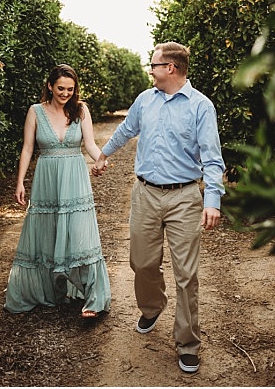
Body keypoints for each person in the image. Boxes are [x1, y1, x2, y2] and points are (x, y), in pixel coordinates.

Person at [92, 42, 225, 374]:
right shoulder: (144, 100)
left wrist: (212, 201)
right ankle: (152, 306)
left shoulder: (200, 106)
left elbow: (211, 158)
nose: (149, 70)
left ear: (171, 68)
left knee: (187, 274)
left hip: (184, 197)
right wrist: (104, 153)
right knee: (142, 262)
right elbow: (126, 129)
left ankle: (188, 343)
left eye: (153, 65)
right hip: (146, 194)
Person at [4, 64, 111, 318]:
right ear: (50, 86)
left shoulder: (81, 110)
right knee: (48, 232)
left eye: (70, 89)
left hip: (75, 178)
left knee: (79, 234)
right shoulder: (35, 111)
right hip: (47, 179)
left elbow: (90, 145)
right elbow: (28, 149)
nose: (65, 94)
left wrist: (100, 160)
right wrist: (20, 182)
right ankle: (51, 290)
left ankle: (94, 298)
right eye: (61, 88)